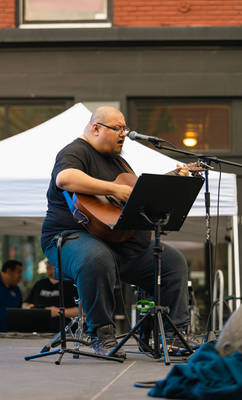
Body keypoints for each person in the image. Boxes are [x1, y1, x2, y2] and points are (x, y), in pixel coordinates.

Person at [41, 106, 192, 358]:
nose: (124, 133)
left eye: (125, 128)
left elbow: (135, 201)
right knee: (96, 257)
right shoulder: (75, 151)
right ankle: (101, 333)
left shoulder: (119, 161)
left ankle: (172, 336)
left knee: (172, 261)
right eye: (118, 128)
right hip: (68, 238)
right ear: (96, 128)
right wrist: (114, 189)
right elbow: (65, 178)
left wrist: (175, 181)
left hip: (117, 242)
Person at [23, 259, 78, 332]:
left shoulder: (72, 285)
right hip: (37, 330)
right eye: (47, 263)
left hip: (64, 331)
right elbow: (25, 304)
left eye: (51, 263)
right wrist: (29, 308)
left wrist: (59, 312)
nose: (48, 265)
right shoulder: (39, 284)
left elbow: (82, 311)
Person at [0, 259, 23, 332]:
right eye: (18, 272)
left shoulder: (16, 289)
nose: (20, 276)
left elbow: (19, 309)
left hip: (12, 334)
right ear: (9, 271)